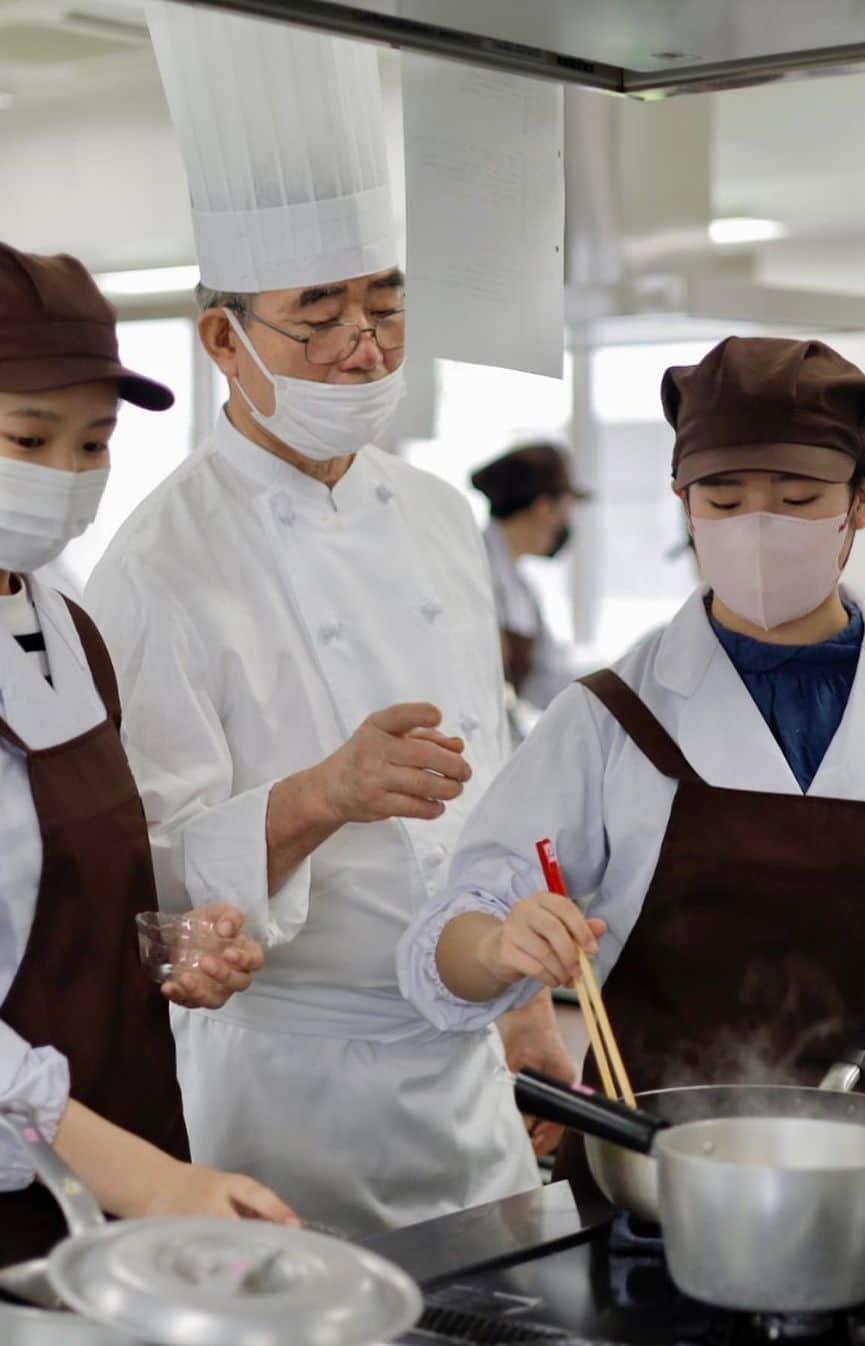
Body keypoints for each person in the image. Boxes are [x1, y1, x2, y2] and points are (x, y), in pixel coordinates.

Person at [398, 337, 865, 1232]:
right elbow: (443, 945)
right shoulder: (612, 713)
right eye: (723, 501)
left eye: (797, 502)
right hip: (647, 1180)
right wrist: (499, 946)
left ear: (862, 502)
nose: (757, 531)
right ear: (684, 506)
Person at [85, 5, 569, 1233]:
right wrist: (323, 793)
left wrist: (525, 1016)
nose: (364, 350)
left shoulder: (437, 515)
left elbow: (490, 788)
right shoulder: (157, 562)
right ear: (223, 339)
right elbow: (141, 880)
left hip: (466, 1075)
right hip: (288, 1096)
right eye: (321, 315)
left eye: (387, 308)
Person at [0, 243, 295, 1266]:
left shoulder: (70, 635)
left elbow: (50, 888)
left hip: (110, 1162)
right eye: (29, 437)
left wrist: (167, 939)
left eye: (92, 445)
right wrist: (147, 1180)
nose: (64, 476)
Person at [471, 443, 589, 712]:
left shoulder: (521, 587)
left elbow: (544, 681)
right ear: (544, 508)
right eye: (567, 509)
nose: (567, 522)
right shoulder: (469, 567)